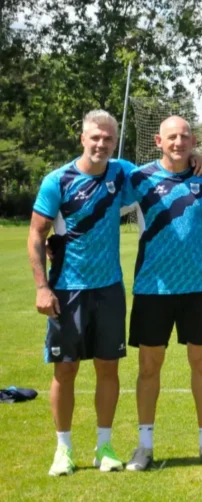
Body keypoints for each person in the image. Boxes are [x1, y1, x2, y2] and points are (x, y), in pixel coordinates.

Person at [123, 116, 202, 471]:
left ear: (194, 141)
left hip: (200, 288)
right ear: (158, 141)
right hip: (152, 287)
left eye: (185, 136)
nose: (178, 142)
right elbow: (101, 199)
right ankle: (144, 447)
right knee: (148, 368)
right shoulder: (139, 178)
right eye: (172, 137)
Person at [29, 110, 131, 476]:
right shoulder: (57, 180)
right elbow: (37, 234)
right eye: (95, 138)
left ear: (115, 142)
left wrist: (195, 159)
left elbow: (164, 172)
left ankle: (104, 446)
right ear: (83, 139)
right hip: (66, 290)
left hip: (109, 289)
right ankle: (63, 449)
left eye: (108, 139)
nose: (101, 144)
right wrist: (42, 287)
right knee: (65, 370)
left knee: (108, 367)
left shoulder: (122, 173)